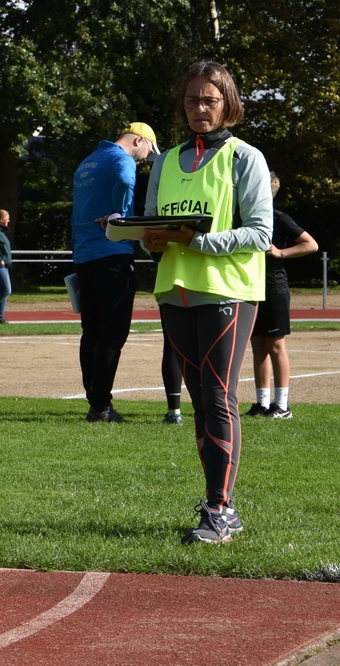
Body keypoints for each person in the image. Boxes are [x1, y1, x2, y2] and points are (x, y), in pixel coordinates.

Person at [141, 59, 272, 545]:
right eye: (193, 100)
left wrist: (195, 241)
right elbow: (152, 226)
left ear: (227, 104)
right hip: (174, 290)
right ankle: (218, 503)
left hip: (228, 289)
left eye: (210, 100)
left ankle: (220, 509)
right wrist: (149, 240)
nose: (200, 108)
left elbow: (260, 233)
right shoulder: (164, 161)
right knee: (200, 399)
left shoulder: (245, 157)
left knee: (218, 396)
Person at [70, 121, 160, 422]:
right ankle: (101, 406)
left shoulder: (88, 160)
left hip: (84, 256)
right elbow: (123, 179)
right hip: (112, 254)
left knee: (92, 331)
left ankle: (95, 401)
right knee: (113, 332)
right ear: (138, 140)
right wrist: (120, 214)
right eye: (148, 152)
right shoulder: (122, 159)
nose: (145, 160)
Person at [246, 171, 319, 419]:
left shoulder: (278, 217)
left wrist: (280, 253)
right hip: (251, 286)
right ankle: (262, 404)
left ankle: (282, 406)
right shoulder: (245, 218)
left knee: (275, 345)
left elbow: (311, 244)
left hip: (274, 287)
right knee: (258, 345)